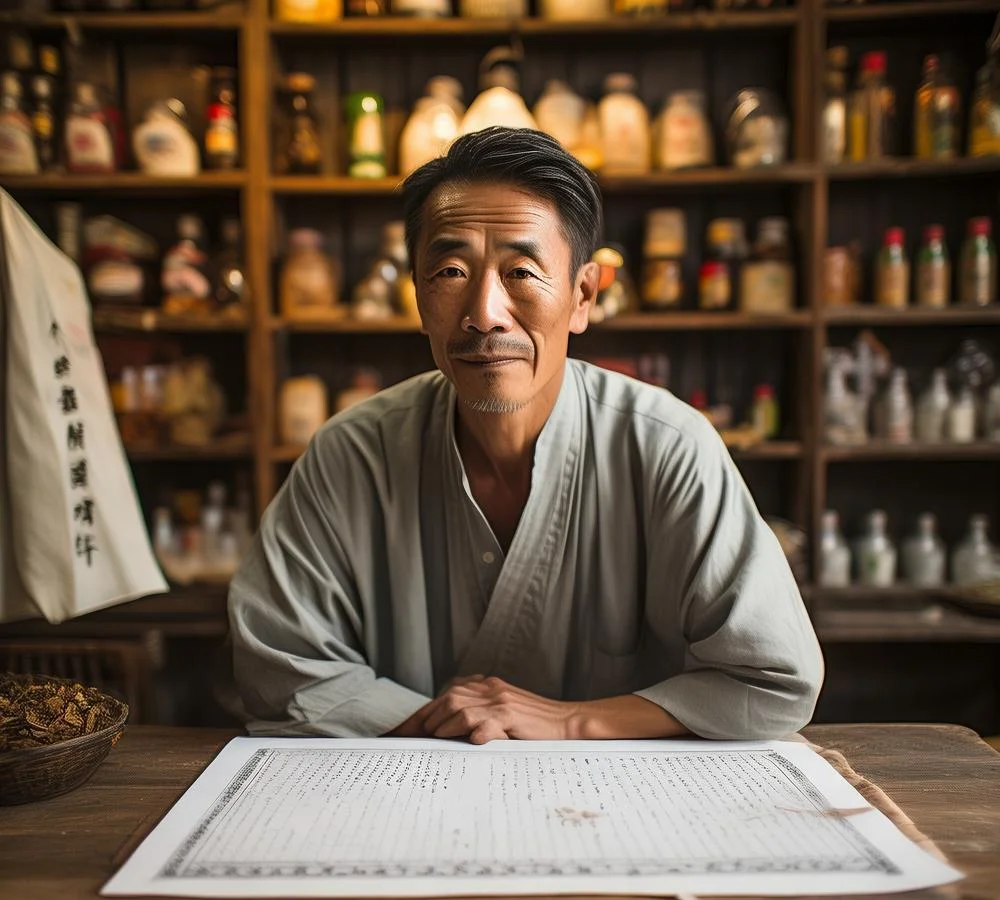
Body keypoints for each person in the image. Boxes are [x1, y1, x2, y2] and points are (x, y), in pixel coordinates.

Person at [226, 126, 824, 744]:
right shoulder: (352, 454)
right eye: (451, 271)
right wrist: (470, 726)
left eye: (521, 271)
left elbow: (774, 680)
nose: (485, 314)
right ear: (419, 297)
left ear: (582, 295)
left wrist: (570, 720)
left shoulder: (666, 447)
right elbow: (278, 665)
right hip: (408, 791)